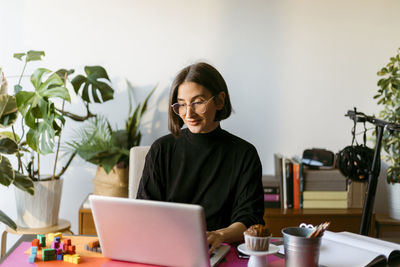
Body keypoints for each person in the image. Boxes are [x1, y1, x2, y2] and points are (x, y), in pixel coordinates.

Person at [137, 62, 264, 252]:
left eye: (198, 102)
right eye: (181, 104)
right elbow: (144, 212)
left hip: (219, 250)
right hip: (166, 249)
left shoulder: (244, 154)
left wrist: (219, 235)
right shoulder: (161, 150)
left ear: (220, 101)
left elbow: (249, 219)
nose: (188, 113)